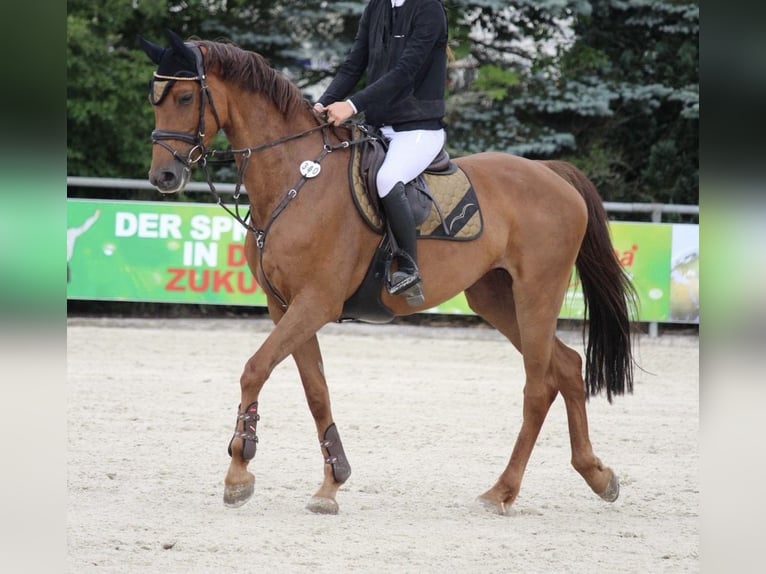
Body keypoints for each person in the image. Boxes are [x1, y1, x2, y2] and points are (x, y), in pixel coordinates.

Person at [314, 0, 449, 298]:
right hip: (378, 127)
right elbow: (353, 64)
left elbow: (405, 72)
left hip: (418, 130)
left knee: (387, 179)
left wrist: (351, 105)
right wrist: (322, 103)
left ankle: (409, 268)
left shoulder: (429, 9)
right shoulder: (376, 7)